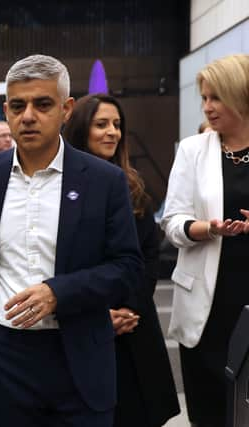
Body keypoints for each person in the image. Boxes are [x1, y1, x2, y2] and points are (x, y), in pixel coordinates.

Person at [0, 54, 142, 427]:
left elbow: (127, 268)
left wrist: (57, 293)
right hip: (8, 355)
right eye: (18, 106)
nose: (28, 115)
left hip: (80, 353)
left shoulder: (103, 180)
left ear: (66, 109)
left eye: (42, 104)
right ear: (6, 109)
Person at [64, 93, 180, 427]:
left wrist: (129, 308)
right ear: (81, 129)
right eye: (101, 124)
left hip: (134, 325)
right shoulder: (62, 188)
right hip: (85, 324)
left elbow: (148, 257)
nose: (112, 132)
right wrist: (101, 314)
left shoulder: (134, 188)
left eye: (117, 125)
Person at [161, 53, 249, 427]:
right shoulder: (192, 150)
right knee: (211, 409)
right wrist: (208, 228)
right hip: (207, 305)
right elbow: (172, 221)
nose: (208, 108)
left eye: (216, 98)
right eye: (204, 98)